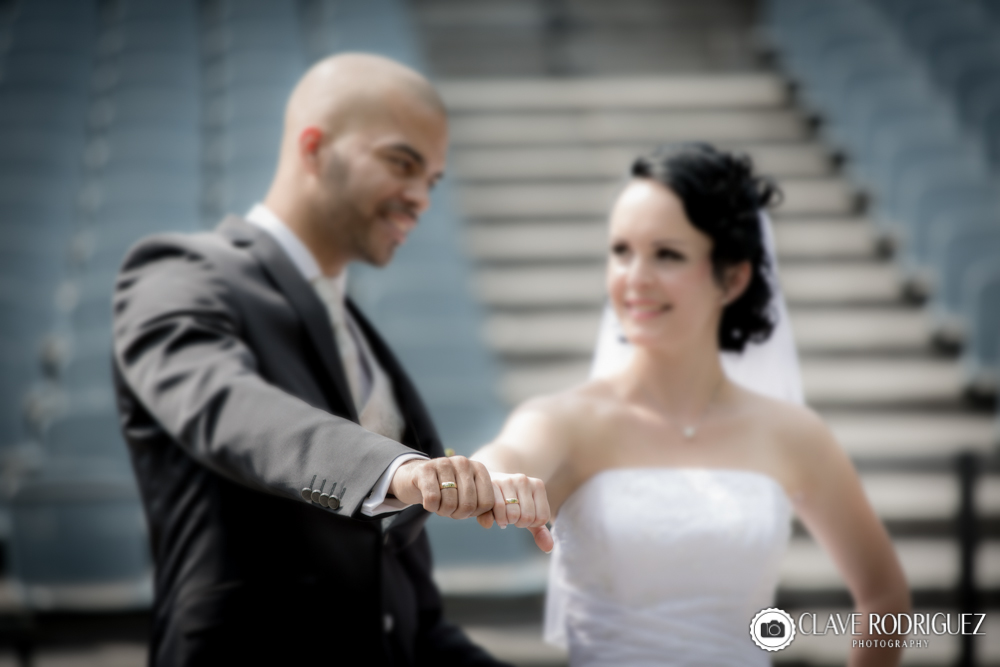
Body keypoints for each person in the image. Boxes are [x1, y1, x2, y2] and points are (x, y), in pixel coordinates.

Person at [111, 53, 525, 666]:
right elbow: (230, 407)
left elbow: (411, 615)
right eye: (401, 163)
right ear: (313, 148)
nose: (420, 199)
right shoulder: (182, 271)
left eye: (433, 180)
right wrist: (394, 472)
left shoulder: (361, 339)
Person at [471, 143, 911, 666]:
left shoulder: (794, 434)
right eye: (621, 250)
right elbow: (506, 458)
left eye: (668, 254)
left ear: (733, 277)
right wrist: (487, 479)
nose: (635, 277)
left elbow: (885, 597)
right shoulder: (563, 421)